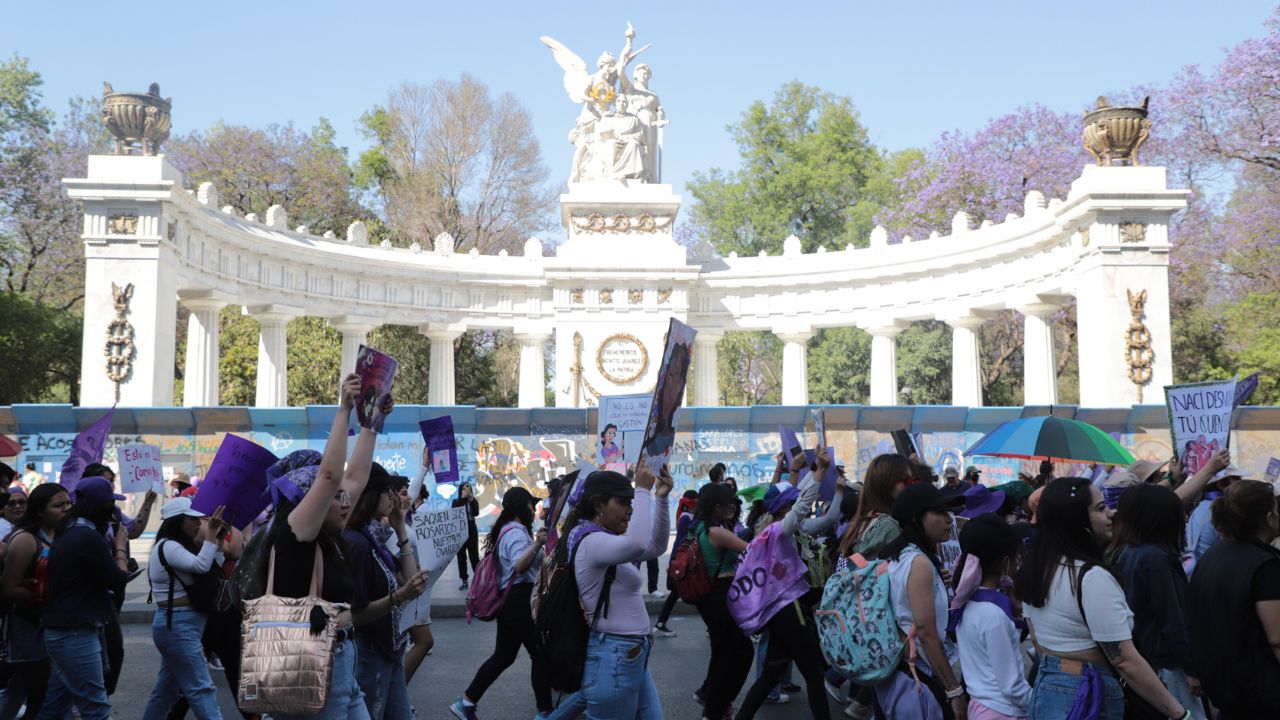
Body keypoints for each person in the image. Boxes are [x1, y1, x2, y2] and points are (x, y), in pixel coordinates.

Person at [254, 373, 382, 720]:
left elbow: (354, 479)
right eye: (335, 498)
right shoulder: (295, 536)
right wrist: (344, 410)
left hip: (341, 663)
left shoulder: (329, 535)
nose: (346, 502)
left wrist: (372, 421)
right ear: (307, 501)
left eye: (345, 498)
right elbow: (330, 477)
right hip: (311, 666)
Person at [1014, 477, 1190, 719]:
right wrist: (1179, 713)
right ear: (1076, 519)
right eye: (1100, 508)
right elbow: (1124, 661)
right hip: (1087, 694)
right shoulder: (1092, 577)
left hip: (1049, 687)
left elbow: (1037, 640)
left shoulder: (1039, 569)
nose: (1112, 514)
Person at [545, 466, 673, 720]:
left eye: (631, 502)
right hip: (615, 656)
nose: (630, 510)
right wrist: (642, 490)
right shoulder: (592, 542)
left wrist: (661, 496)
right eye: (623, 503)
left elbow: (656, 545)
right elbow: (637, 544)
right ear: (598, 505)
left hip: (630, 654)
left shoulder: (607, 541)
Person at [734, 448, 836, 720]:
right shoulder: (779, 531)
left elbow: (796, 497)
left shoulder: (770, 527)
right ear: (784, 510)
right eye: (790, 505)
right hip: (791, 610)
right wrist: (821, 472)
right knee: (814, 675)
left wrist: (806, 471)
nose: (797, 508)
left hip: (780, 611)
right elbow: (802, 504)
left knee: (770, 675)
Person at [451, 487, 552, 720]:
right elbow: (518, 566)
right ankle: (545, 710)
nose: (533, 509)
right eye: (530, 505)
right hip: (518, 600)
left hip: (512, 601)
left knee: (504, 655)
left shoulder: (509, 530)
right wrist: (537, 545)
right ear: (521, 506)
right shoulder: (516, 533)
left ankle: (466, 703)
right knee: (539, 654)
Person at [35, 476, 130, 720]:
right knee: (95, 707)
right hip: (74, 632)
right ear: (103, 508)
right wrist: (120, 546)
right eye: (111, 505)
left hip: (65, 630)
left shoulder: (70, 531)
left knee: (55, 706)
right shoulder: (86, 536)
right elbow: (118, 579)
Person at [1111, 484, 1204, 720]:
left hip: (1148, 662)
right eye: (1179, 512)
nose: (1184, 518)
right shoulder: (1157, 558)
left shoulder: (1127, 552)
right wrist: (1192, 668)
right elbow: (1173, 618)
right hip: (1169, 667)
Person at [1188, 479, 1280, 717]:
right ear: (1270, 517)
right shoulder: (1265, 566)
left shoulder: (1211, 558)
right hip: (1262, 698)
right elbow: (1277, 638)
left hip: (1227, 695)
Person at [831, 453, 911, 719]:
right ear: (889, 484)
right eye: (905, 480)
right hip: (884, 619)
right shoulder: (888, 525)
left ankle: (862, 703)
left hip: (865, 619)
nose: (910, 485)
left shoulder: (865, 519)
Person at [878, 483, 967, 719]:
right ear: (917, 519)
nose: (948, 519)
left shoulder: (902, 555)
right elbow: (927, 633)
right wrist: (954, 691)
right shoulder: (918, 562)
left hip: (903, 673)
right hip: (918, 677)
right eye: (939, 512)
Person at [345, 464, 428, 720]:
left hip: (389, 649)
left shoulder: (375, 537)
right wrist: (399, 597)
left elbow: (411, 578)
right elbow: (353, 615)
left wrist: (401, 528)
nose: (392, 498)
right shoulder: (356, 542)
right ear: (371, 495)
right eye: (387, 491)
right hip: (370, 652)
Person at [139, 497, 227, 720]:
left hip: (180, 624)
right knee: (201, 687)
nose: (198, 524)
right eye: (192, 519)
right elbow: (201, 565)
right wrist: (210, 535)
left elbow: (214, 563)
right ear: (178, 520)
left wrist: (215, 538)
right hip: (178, 624)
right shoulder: (168, 546)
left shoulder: (176, 546)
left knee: (166, 691)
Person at [79, 461, 156, 699]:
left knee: (108, 651)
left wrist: (148, 502)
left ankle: (95, 700)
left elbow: (132, 530)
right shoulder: (82, 527)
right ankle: (94, 702)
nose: (111, 487)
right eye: (106, 482)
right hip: (95, 596)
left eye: (112, 481)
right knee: (109, 650)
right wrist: (120, 552)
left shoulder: (112, 514)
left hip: (112, 592)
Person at [0, 483, 72, 720]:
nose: (65, 509)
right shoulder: (25, 540)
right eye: (58, 505)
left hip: (51, 625)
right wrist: (45, 594)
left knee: (22, 692)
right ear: (40, 510)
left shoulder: (62, 535)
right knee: (40, 698)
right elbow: (9, 589)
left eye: (68, 504)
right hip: (27, 628)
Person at [951, 513, 1033, 720]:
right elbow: (1012, 687)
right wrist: (1041, 703)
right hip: (1004, 711)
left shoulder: (968, 600)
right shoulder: (993, 614)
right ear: (1004, 562)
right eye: (1017, 556)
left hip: (981, 708)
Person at [688, 482, 751, 720]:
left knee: (723, 652)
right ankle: (715, 707)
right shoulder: (717, 532)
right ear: (716, 507)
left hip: (710, 596)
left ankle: (711, 699)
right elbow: (753, 550)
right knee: (740, 653)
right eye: (728, 503)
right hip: (721, 596)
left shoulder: (700, 527)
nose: (732, 507)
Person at [653, 489, 698, 637]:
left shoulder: (689, 516)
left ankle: (660, 623)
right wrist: (674, 561)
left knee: (678, 593)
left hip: (683, 561)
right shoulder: (687, 518)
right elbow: (681, 542)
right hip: (683, 562)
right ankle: (660, 623)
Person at [454, 482, 480, 590]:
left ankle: (478, 579)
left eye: (468, 489)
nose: (467, 490)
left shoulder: (473, 501)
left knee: (474, 556)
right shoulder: (456, 501)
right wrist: (462, 498)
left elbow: (476, 512)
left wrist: (471, 499)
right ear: (461, 490)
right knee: (461, 556)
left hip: (471, 529)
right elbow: (454, 511)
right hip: (460, 530)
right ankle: (464, 580)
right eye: (464, 489)